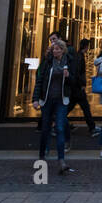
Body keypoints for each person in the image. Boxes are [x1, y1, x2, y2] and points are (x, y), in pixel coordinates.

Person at [32, 40, 76, 175]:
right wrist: (35, 99)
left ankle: (61, 160)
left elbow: (74, 82)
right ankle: (42, 155)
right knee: (45, 128)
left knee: (60, 128)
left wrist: (68, 77)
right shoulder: (47, 62)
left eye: (58, 49)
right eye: (54, 49)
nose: (55, 51)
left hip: (61, 100)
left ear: (63, 50)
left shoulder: (68, 62)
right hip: (47, 100)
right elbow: (40, 81)